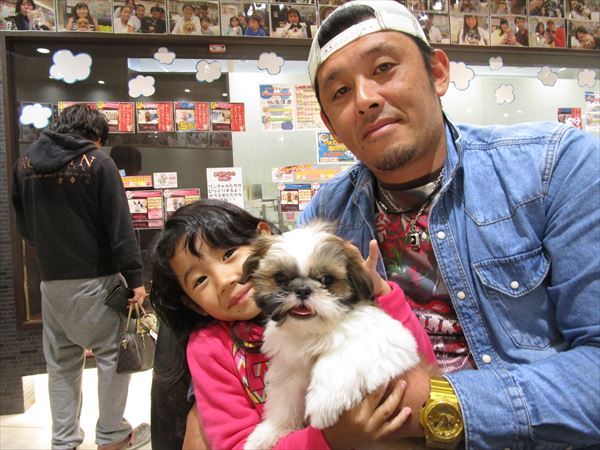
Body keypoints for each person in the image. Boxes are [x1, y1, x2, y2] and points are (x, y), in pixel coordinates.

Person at [300, 1, 600, 448]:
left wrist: (437, 404)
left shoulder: (553, 167)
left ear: (438, 72)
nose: (365, 99)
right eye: (340, 91)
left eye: (383, 67)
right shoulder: (326, 219)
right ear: (329, 124)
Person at [150, 199, 436, 450]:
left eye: (229, 254)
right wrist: (329, 438)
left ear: (261, 236)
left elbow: (419, 361)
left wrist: (381, 294)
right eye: (200, 280)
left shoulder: (354, 317)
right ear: (193, 303)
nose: (224, 280)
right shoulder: (212, 347)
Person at [11, 104, 151, 450]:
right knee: (112, 357)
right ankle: (112, 435)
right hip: (97, 279)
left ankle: (64, 441)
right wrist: (135, 279)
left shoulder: (25, 164)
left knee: (61, 364)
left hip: (50, 284)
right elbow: (119, 226)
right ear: (95, 135)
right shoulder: (98, 163)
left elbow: (24, 225)